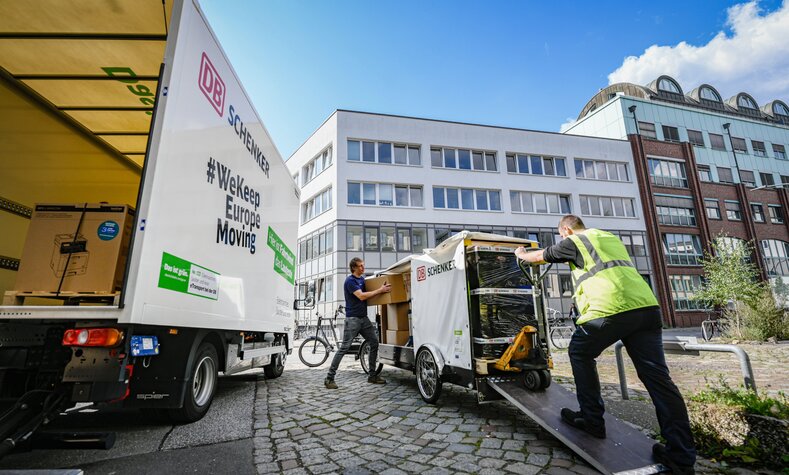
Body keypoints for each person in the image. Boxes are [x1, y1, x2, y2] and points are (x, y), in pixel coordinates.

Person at [515, 215, 696, 474]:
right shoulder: (608, 237)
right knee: (658, 379)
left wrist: (521, 252)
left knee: (580, 352)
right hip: (646, 307)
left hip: (610, 309)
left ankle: (591, 420)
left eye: (562, 236)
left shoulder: (575, 240)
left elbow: (537, 257)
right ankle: (681, 456)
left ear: (565, 230)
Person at [324, 257, 390, 389]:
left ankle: (372, 375)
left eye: (363, 265)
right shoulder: (350, 281)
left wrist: (381, 288)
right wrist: (380, 290)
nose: (363, 268)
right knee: (344, 348)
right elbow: (362, 296)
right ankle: (329, 378)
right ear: (354, 268)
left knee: (374, 342)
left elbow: (370, 291)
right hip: (353, 320)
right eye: (360, 266)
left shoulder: (362, 279)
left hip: (363, 319)